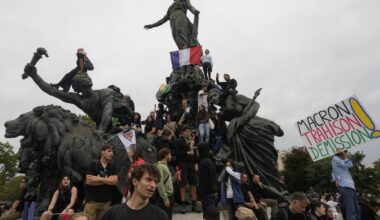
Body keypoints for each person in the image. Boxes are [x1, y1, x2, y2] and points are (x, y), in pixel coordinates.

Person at [101, 164, 169, 220]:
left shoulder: (160, 216)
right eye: (149, 179)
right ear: (135, 181)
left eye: (156, 182)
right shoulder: (112, 213)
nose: (153, 185)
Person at [84, 145, 118, 220]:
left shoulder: (112, 166)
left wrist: (99, 178)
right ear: (102, 151)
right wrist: (107, 181)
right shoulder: (93, 164)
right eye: (109, 151)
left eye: (112, 151)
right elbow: (89, 181)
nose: (111, 153)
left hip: (106, 202)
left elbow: (115, 181)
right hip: (92, 202)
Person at [175, 126, 201, 213]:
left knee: (194, 184)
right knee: (183, 185)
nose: (188, 133)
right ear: (183, 132)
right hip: (183, 164)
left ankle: (194, 204)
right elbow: (177, 153)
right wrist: (187, 152)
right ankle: (183, 205)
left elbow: (196, 153)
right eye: (186, 131)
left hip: (192, 164)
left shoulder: (192, 141)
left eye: (189, 131)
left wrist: (196, 163)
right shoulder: (179, 141)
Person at [331, 148, 360, 220]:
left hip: (348, 186)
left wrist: (336, 180)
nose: (345, 154)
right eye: (344, 153)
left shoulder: (338, 161)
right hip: (346, 186)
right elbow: (350, 165)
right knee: (351, 211)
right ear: (339, 154)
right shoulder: (336, 159)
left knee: (356, 209)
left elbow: (333, 174)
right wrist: (345, 156)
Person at [154, 148, 176, 220]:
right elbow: (160, 184)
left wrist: (175, 176)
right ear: (166, 155)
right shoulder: (160, 167)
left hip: (169, 195)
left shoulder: (165, 165)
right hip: (164, 197)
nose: (171, 156)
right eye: (170, 154)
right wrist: (165, 199)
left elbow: (168, 182)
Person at [197, 142, 218, 219]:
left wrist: (199, 198)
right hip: (214, 194)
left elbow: (203, 182)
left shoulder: (203, 163)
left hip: (208, 196)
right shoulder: (211, 161)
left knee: (209, 217)